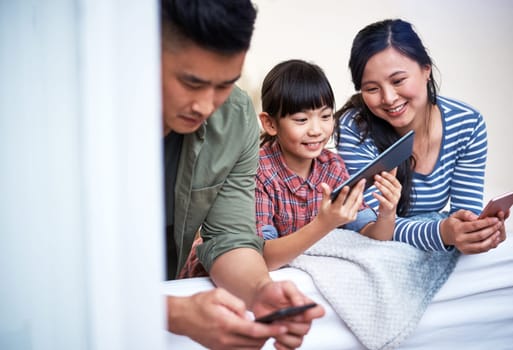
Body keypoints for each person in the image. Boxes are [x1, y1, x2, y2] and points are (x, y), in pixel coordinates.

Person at [161, 1, 324, 349]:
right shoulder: (71, 111)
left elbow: (231, 236)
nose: (206, 106)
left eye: (224, 84)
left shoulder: (236, 118)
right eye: (191, 82)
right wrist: (172, 313)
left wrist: (260, 292)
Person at [335, 18, 508, 255]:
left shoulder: (467, 124)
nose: (388, 98)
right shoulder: (355, 128)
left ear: (426, 70)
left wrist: (478, 229)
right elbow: (374, 226)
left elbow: (465, 212)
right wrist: (442, 233)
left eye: (398, 81)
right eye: (372, 89)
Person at [256, 59, 402, 270]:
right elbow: (262, 258)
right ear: (270, 123)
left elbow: (374, 238)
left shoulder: (332, 166)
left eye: (325, 116)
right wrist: (324, 224)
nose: (316, 130)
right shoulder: (258, 171)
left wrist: (387, 212)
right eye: (301, 120)